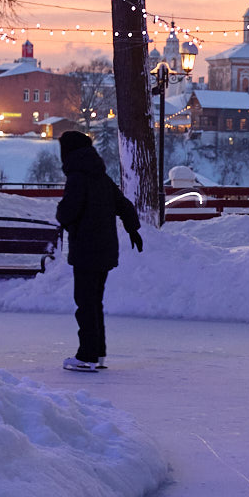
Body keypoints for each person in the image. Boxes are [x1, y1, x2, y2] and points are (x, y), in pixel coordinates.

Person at [55, 131, 142, 373]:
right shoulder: (101, 177)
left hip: (86, 249)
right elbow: (124, 205)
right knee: (94, 302)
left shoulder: (77, 178)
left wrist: (61, 212)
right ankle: (98, 353)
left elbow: (67, 212)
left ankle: (87, 355)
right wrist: (133, 229)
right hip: (104, 250)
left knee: (85, 303)